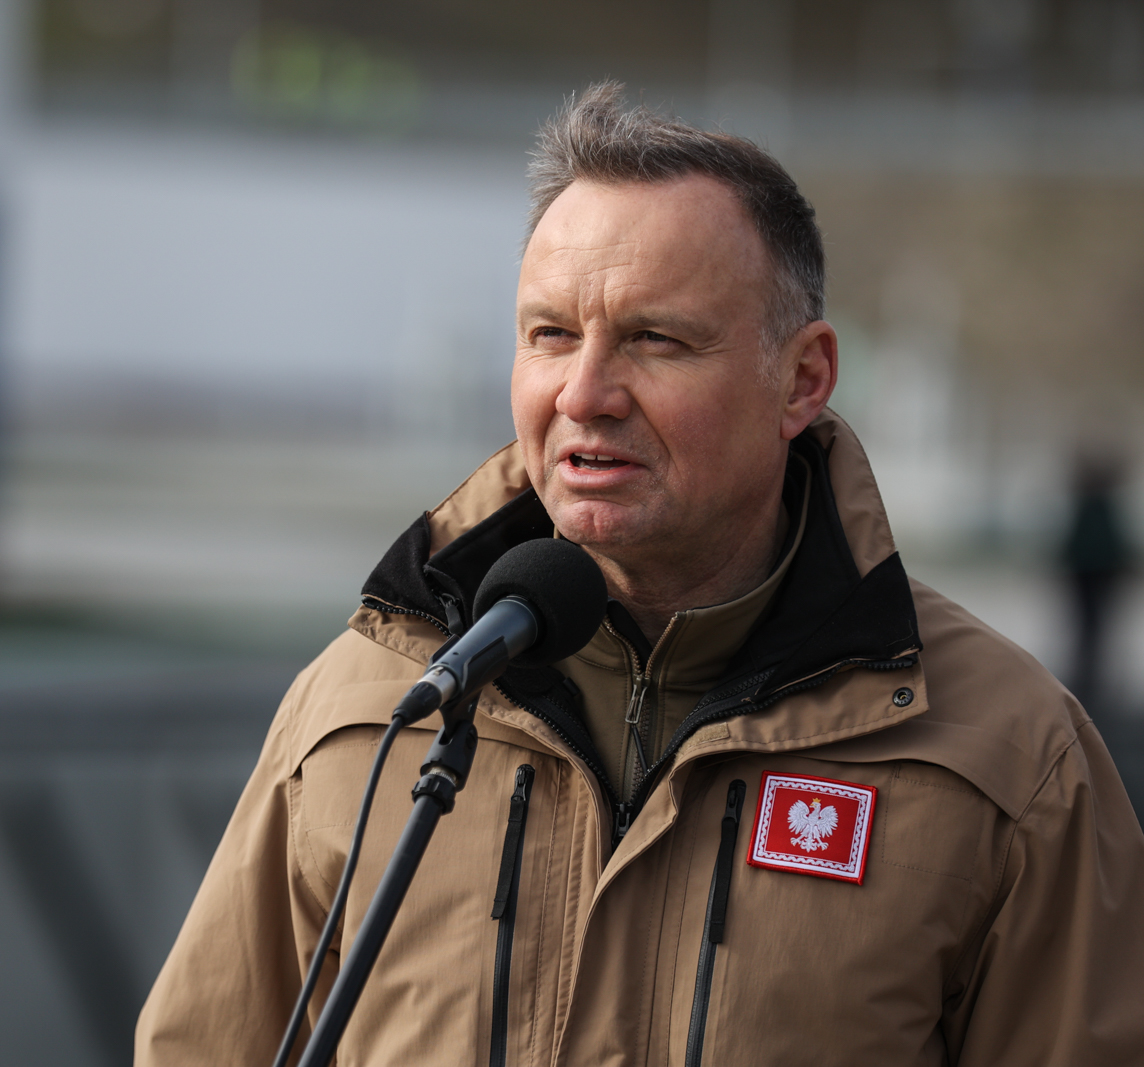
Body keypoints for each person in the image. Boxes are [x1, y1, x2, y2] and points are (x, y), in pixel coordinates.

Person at [136, 82, 1144, 1066]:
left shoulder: (1008, 757)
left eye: (654, 339)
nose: (584, 393)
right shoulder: (362, 711)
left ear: (801, 378)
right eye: (550, 334)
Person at [1061, 451, 1134, 708]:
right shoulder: (1098, 505)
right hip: (1096, 575)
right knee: (1093, 626)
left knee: (1090, 626)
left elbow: (1081, 545)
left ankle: (1088, 673)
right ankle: (1089, 672)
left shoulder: (1094, 505)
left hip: (1092, 575)